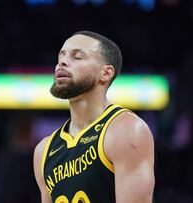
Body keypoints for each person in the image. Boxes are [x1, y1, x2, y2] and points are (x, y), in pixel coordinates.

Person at [33, 31, 155, 203]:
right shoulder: (43, 151)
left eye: (77, 57)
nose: (62, 62)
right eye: (61, 56)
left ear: (105, 73)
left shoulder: (126, 131)